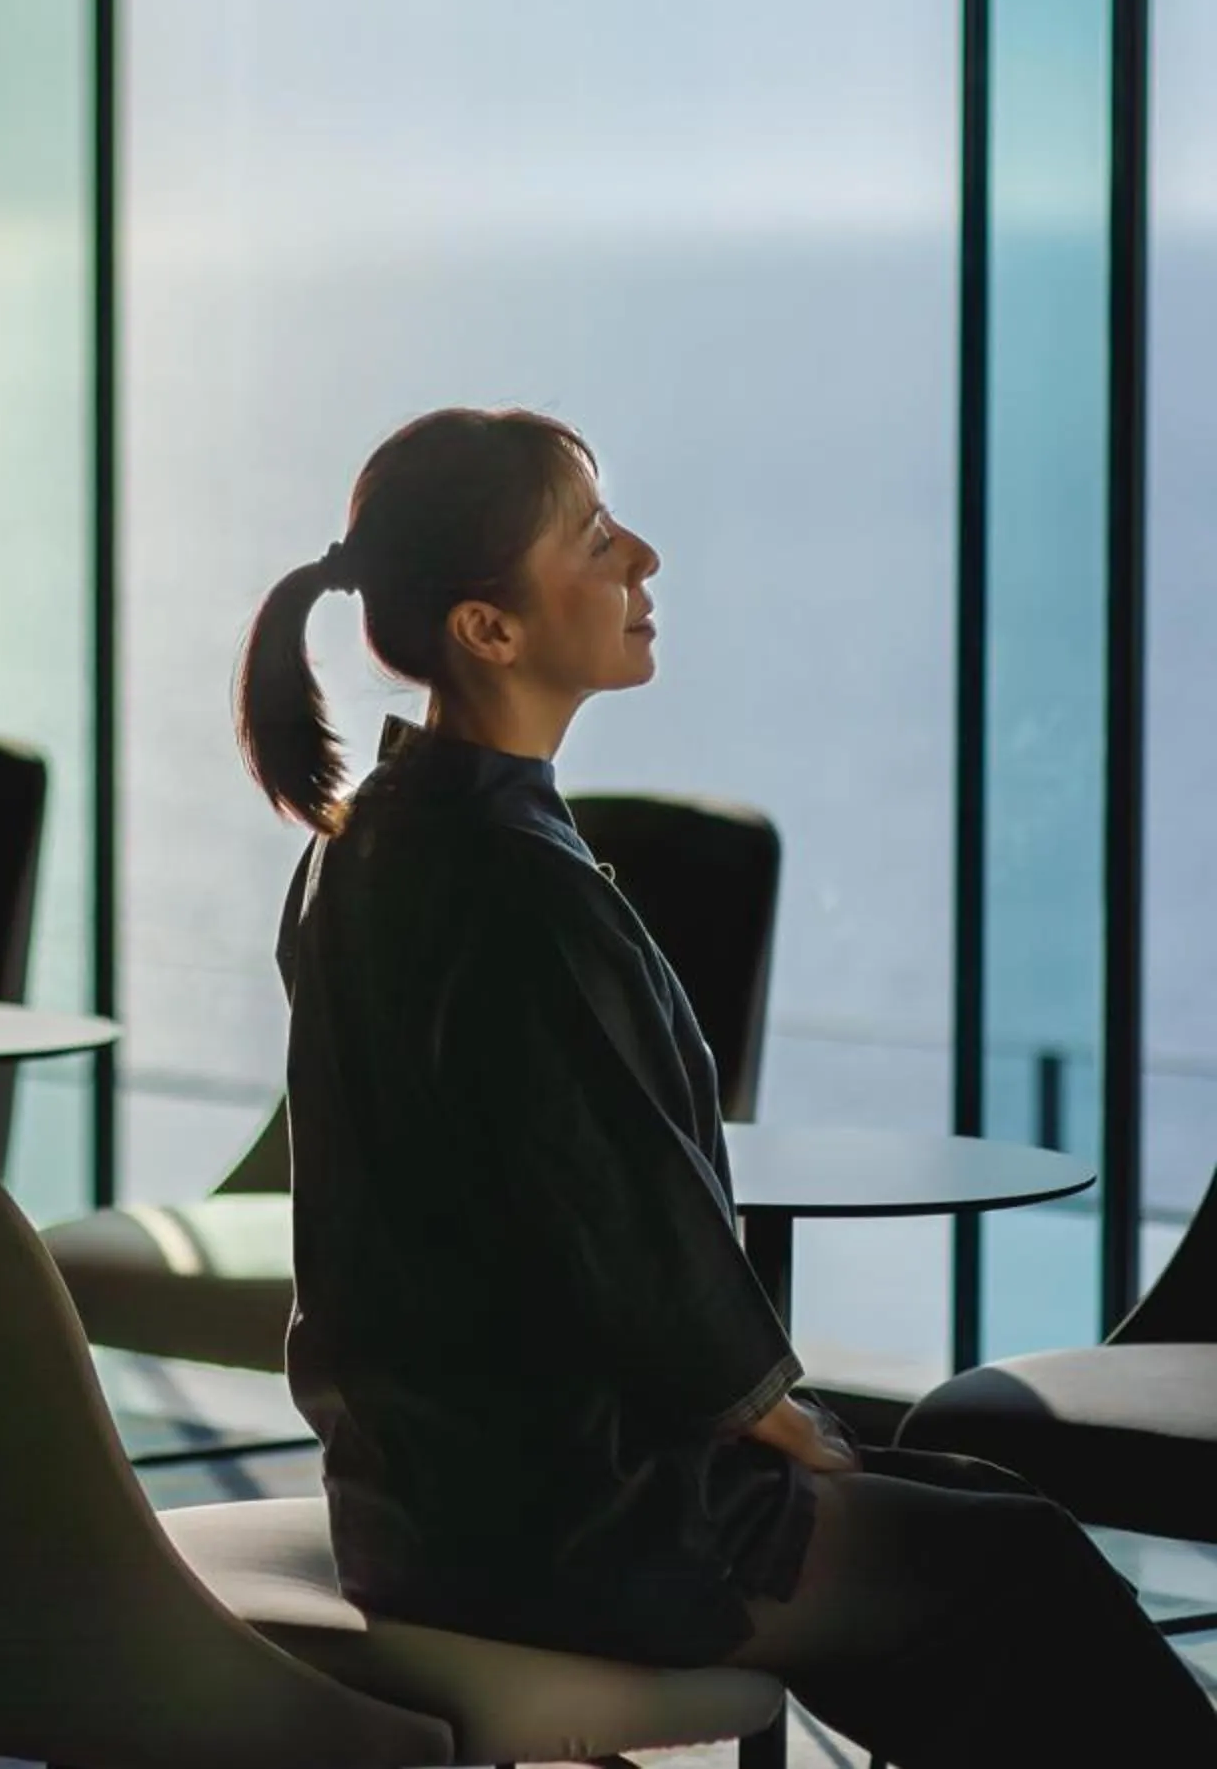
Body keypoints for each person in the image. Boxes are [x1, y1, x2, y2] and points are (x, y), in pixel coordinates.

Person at [237, 405, 1215, 1767]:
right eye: (592, 537)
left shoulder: (368, 849)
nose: (645, 557)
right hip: (574, 1521)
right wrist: (771, 1410)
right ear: (489, 628)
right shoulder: (515, 888)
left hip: (426, 1493)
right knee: (1013, 1563)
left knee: (971, 1511)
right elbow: (619, 1212)